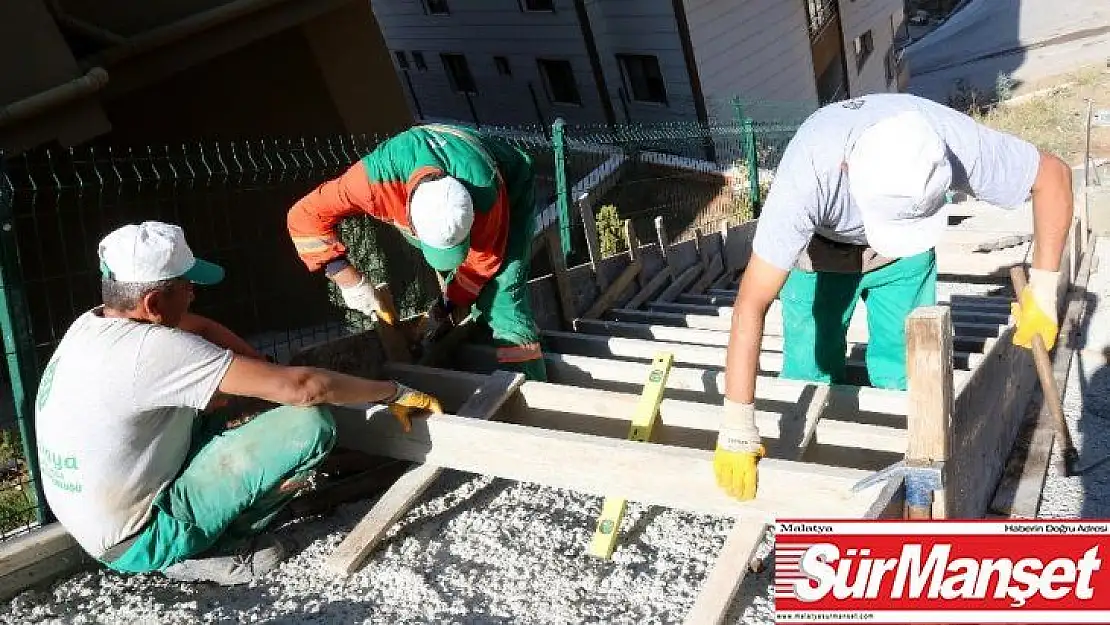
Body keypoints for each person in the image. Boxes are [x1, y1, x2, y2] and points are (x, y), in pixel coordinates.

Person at [34, 221, 444, 585]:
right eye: (185, 286)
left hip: (89, 515)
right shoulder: (153, 351)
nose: (193, 294)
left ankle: (198, 523)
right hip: (136, 537)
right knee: (310, 425)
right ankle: (207, 548)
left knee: (227, 394)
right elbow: (305, 388)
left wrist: (261, 367)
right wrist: (392, 392)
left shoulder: (93, 324)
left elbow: (202, 327)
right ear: (154, 304)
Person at [714, 93, 1074, 500]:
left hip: (903, 260)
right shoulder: (809, 172)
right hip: (817, 256)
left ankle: (898, 480)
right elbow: (751, 303)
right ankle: (808, 480)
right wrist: (737, 425)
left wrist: (1042, 293)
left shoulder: (951, 140)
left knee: (904, 370)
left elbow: (1053, 177)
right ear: (848, 170)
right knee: (809, 370)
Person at [286, 123, 548, 381]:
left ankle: (534, 394)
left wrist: (447, 304)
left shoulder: (485, 194)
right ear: (409, 211)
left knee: (503, 300)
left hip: (511, 186)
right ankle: (484, 345)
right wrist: (348, 279)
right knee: (474, 296)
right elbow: (303, 217)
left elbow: (482, 265)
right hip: (419, 174)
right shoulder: (372, 182)